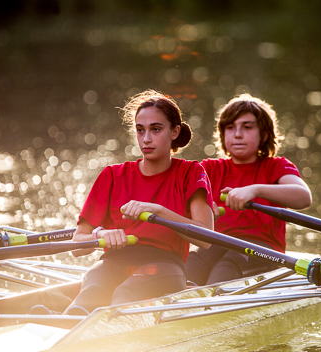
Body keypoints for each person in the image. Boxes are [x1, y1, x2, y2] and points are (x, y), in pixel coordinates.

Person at [64, 89, 214, 315]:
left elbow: (206, 238)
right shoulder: (112, 175)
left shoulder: (191, 172)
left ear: (174, 132)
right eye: (140, 130)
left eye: (156, 129)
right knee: (87, 299)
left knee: (124, 297)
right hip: (113, 261)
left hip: (165, 266)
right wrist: (100, 235)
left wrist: (159, 212)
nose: (146, 139)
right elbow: (77, 245)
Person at [186, 93, 312, 286]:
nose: (237, 134)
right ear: (222, 134)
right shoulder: (208, 169)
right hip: (217, 244)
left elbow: (303, 197)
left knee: (225, 269)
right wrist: (198, 210)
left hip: (263, 249)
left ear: (264, 134)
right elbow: (176, 199)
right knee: (190, 266)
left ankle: (210, 310)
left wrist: (254, 190)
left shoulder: (276, 167)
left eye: (247, 127)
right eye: (230, 127)